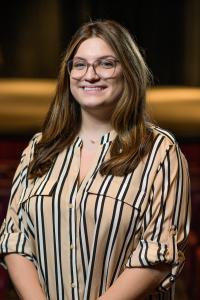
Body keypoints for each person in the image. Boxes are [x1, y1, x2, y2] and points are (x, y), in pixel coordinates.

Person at [0, 20, 191, 300]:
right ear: (68, 74)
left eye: (106, 64)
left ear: (129, 71)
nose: (90, 75)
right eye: (79, 65)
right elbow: (15, 239)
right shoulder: (39, 147)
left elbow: (157, 254)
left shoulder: (159, 151)